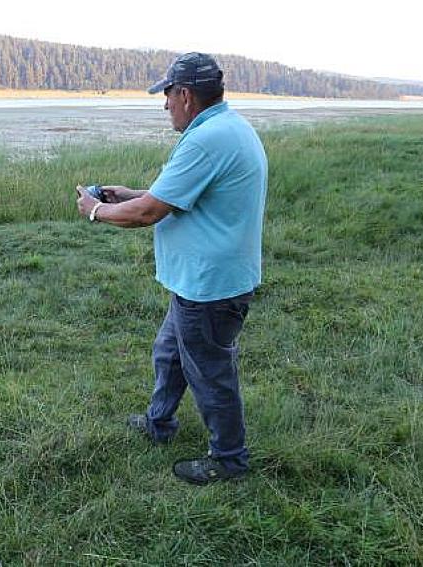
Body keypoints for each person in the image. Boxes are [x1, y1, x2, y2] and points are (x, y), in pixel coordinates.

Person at [75, 52, 268, 485]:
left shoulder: (206, 139)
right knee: (170, 355)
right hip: (200, 283)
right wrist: (129, 193)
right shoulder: (227, 127)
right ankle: (159, 422)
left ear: (184, 95)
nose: (163, 105)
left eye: (166, 95)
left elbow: (148, 214)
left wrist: (95, 212)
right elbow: (171, 196)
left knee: (210, 373)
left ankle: (229, 460)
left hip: (209, 288)